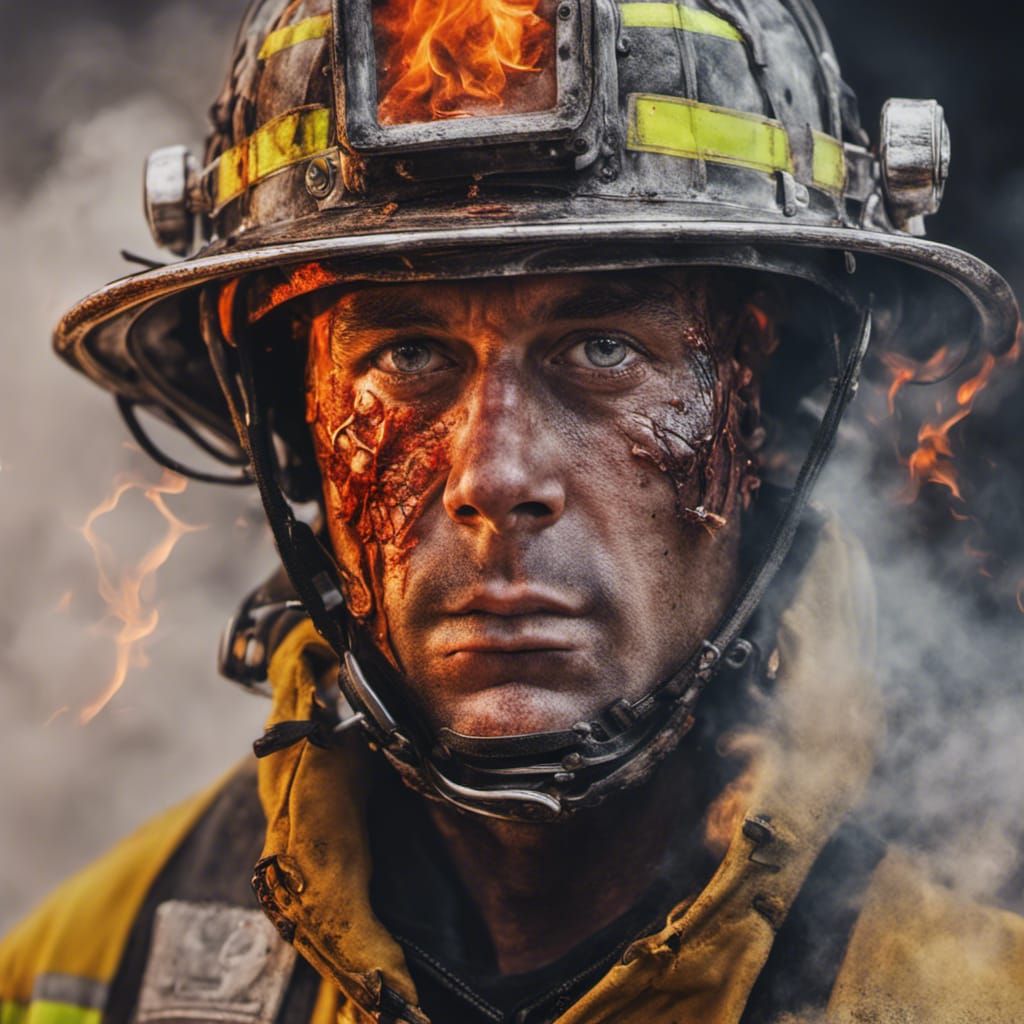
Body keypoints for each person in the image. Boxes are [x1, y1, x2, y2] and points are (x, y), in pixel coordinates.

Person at [4, 0, 1023, 1021]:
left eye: (602, 347)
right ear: (293, 426)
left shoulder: (986, 967)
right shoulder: (89, 972)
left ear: (766, 415)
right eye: (406, 356)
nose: (493, 477)